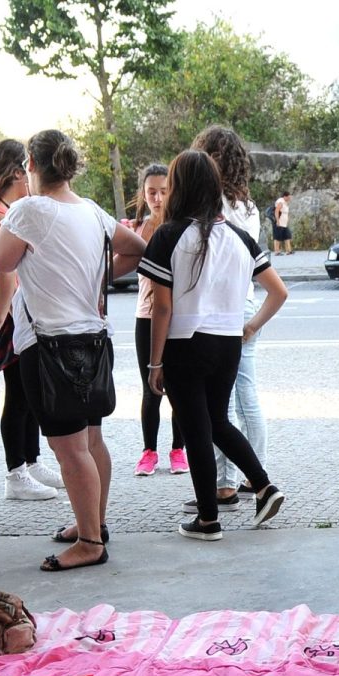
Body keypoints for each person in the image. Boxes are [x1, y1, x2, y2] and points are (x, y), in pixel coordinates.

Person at [0, 128, 146, 571]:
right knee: (91, 440)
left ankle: (90, 541)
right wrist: (95, 277)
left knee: (69, 449)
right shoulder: (92, 211)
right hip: (93, 338)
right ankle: (93, 522)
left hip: (52, 346)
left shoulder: (31, 210)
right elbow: (137, 248)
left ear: (31, 167)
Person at [141, 149, 288, 542]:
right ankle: (263, 486)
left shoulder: (168, 235)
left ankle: (208, 519)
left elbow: (162, 307)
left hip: (185, 344)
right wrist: (251, 325)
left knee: (197, 429)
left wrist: (155, 364)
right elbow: (278, 291)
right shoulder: (239, 237)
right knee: (217, 421)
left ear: (179, 187)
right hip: (228, 343)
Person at [0, 138, 64, 501]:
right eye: (27, 169)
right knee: (20, 395)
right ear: (15, 172)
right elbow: (2, 270)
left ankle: (32, 460)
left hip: (24, 307)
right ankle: (15, 473)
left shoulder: (11, 208)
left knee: (30, 392)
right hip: (11, 312)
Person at [193, 126, 270, 514]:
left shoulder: (215, 203)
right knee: (245, 398)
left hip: (222, 308)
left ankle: (230, 482)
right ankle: (251, 475)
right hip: (245, 303)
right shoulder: (251, 206)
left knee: (216, 405)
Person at [129, 163, 185, 479]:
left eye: (164, 191)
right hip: (145, 317)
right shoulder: (137, 229)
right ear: (144, 193)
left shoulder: (181, 227)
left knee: (177, 389)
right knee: (150, 389)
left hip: (175, 316)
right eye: (152, 192)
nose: (158, 198)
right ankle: (148, 451)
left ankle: (178, 450)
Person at [272, 191, 292, 256]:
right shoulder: (280, 202)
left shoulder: (285, 203)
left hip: (284, 223)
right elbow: (276, 211)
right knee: (278, 237)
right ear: (285, 196)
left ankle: (288, 250)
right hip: (279, 222)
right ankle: (277, 251)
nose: (289, 198)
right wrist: (277, 220)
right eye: (288, 197)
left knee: (287, 236)